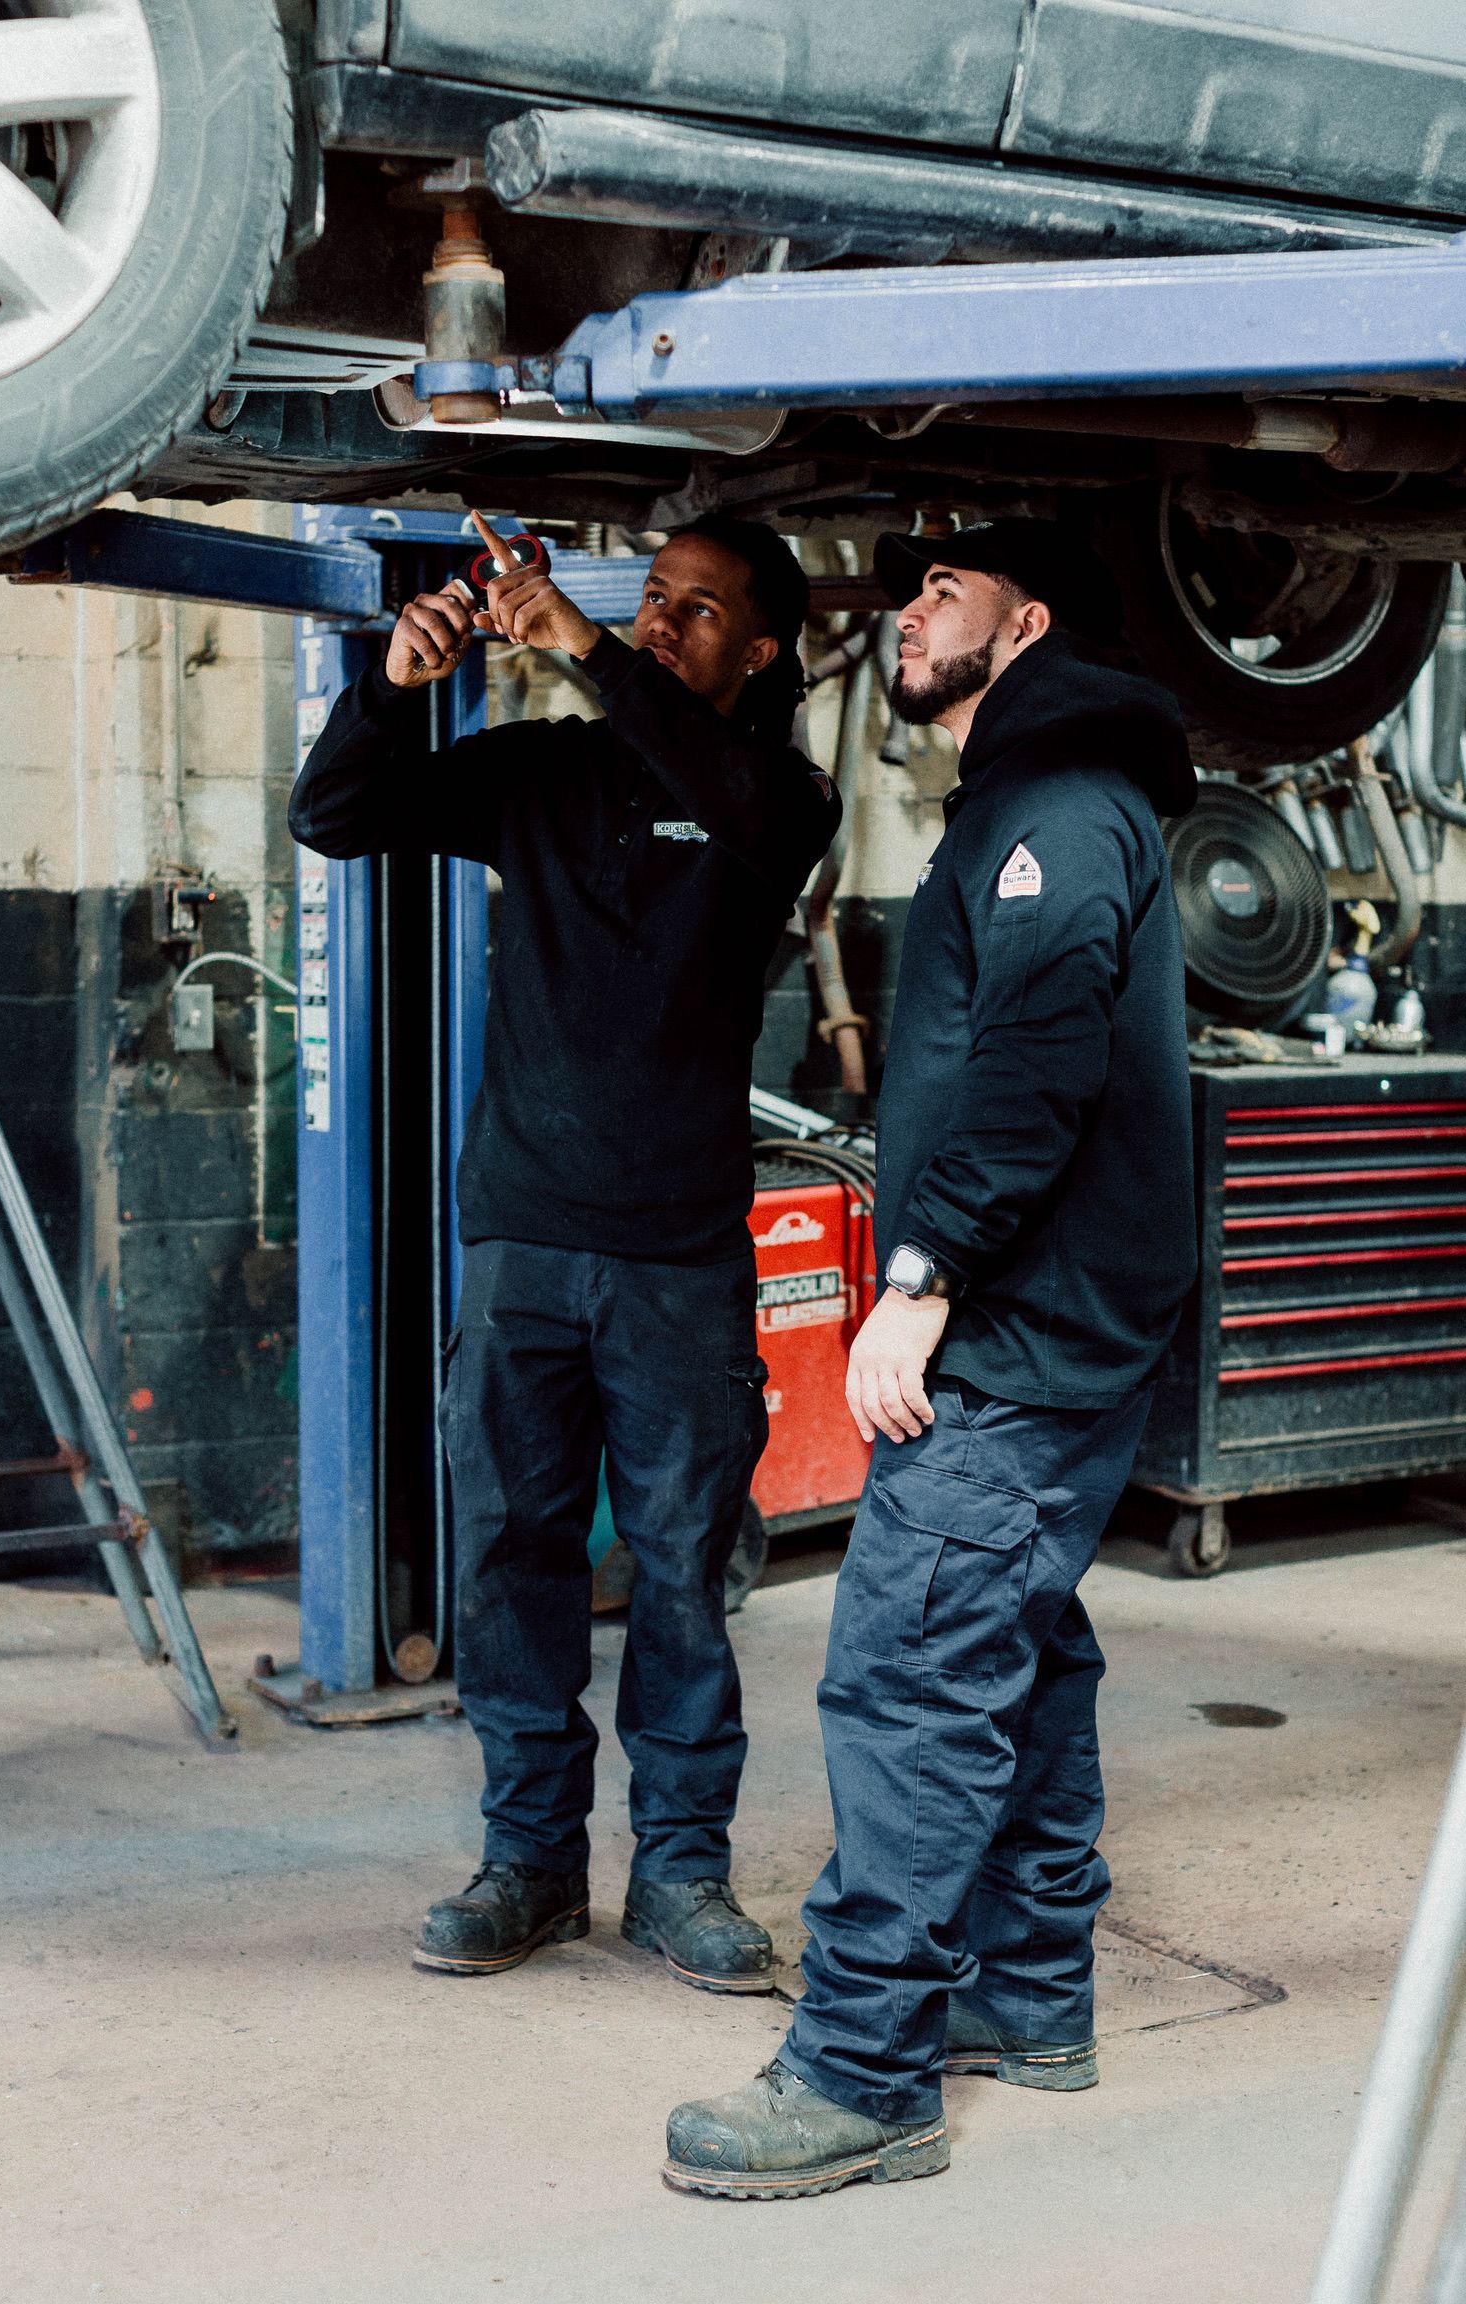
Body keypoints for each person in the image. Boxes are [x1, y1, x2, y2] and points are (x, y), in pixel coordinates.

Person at [664, 518, 1199, 2198]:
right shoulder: (1038, 805)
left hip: (1018, 1339)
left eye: (942, 592)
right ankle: (1031, 1995)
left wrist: (920, 1273)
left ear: (1026, 624)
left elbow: (1037, 1068)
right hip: (1061, 1335)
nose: (904, 612)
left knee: (910, 1677)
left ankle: (863, 2068)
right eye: (901, 591)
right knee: (1022, 1656)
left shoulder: (1052, 811)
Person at [289, 511, 839, 1994]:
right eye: (654, 599)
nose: (664, 623)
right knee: (515, 1562)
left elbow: (723, 786)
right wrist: (395, 685)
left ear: (763, 650)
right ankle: (528, 1864)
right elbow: (334, 814)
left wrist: (589, 649)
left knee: (678, 1572)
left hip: (675, 1257)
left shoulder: (774, 797)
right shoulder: (544, 776)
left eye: (702, 612)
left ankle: (681, 1875)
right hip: (522, 1240)